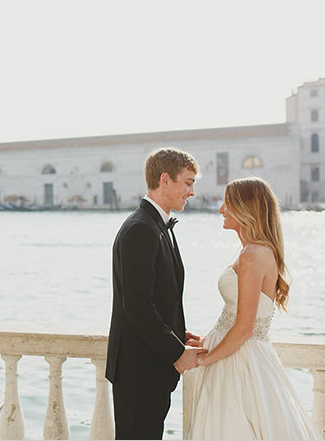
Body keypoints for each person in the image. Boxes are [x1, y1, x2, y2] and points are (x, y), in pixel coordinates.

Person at [186, 177, 320, 440]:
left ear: (245, 208)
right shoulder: (254, 251)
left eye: (227, 204)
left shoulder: (252, 255)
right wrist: (208, 341)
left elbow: (245, 328)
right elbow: (240, 314)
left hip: (239, 362)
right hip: (241, 355)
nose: (220, 210)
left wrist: (204, 358)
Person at [105, 147, 206, 440]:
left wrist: (180, 334)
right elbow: (138, 305)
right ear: (165, 179)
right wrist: (176, 352)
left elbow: (161, 297)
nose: (192, 192)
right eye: (188, 182)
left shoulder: (160, 226)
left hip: (151, 369)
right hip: (138, 372)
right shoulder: (140, 229)